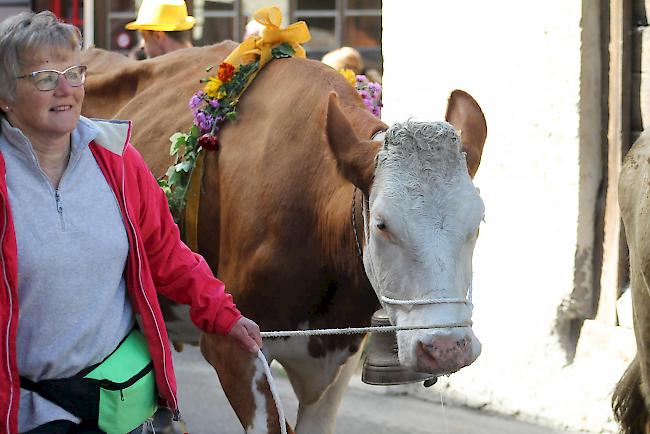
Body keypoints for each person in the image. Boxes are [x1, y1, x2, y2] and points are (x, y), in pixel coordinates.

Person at [0, 11, 262, 434]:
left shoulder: (118, 160)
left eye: (73, 72)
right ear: (5, 95)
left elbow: (166, 253)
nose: (65, 88)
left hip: (116, 403)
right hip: (28, 412)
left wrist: (225, 315)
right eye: (45, 77)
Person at [125, 0, 194, 58]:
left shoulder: (165, 72)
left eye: (144, 38)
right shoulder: (202, 66)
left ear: (158, 35)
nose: (141, 45)